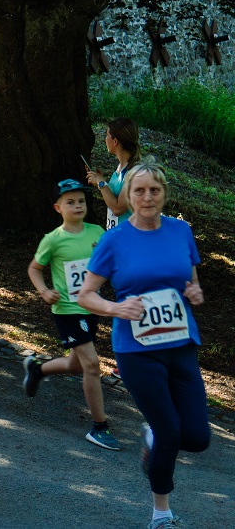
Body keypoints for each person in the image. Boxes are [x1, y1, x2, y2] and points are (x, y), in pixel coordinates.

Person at [79, 162, 210, 529]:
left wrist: (194, 291)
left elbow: (190, 279)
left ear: (164, 193)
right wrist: (115, 307)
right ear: (128, 196)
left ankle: (152, 434)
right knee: (170, 430)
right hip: (136, 349)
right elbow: (87, 295)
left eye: (154, 190)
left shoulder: (181, 231)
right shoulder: (114, 240)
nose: (147, 197)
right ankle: (161, 513)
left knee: (197, 438)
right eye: (139, 191)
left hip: (181, 343)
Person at [23, 179, 117, 450]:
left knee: (77, 364)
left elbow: (110, 260)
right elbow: (34, 268)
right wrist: (43, 291)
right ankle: (99, 426)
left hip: (92, 308)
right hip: (67, 309)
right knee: (91, 365)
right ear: (58, 207)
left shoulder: (97, 232)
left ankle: (37, 369)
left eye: (81, 201)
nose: (77, 206)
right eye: (70, 202)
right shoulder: (53, 240)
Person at [85, 117, 141, 230]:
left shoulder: (134, 172)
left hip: (129, 239)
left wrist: (101, 183)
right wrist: (100, 181)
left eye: (107, 135)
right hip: (117, 237)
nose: (105, 139)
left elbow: (118, 208)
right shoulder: (120, 168)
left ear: (115, 141)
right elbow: (114, 197)